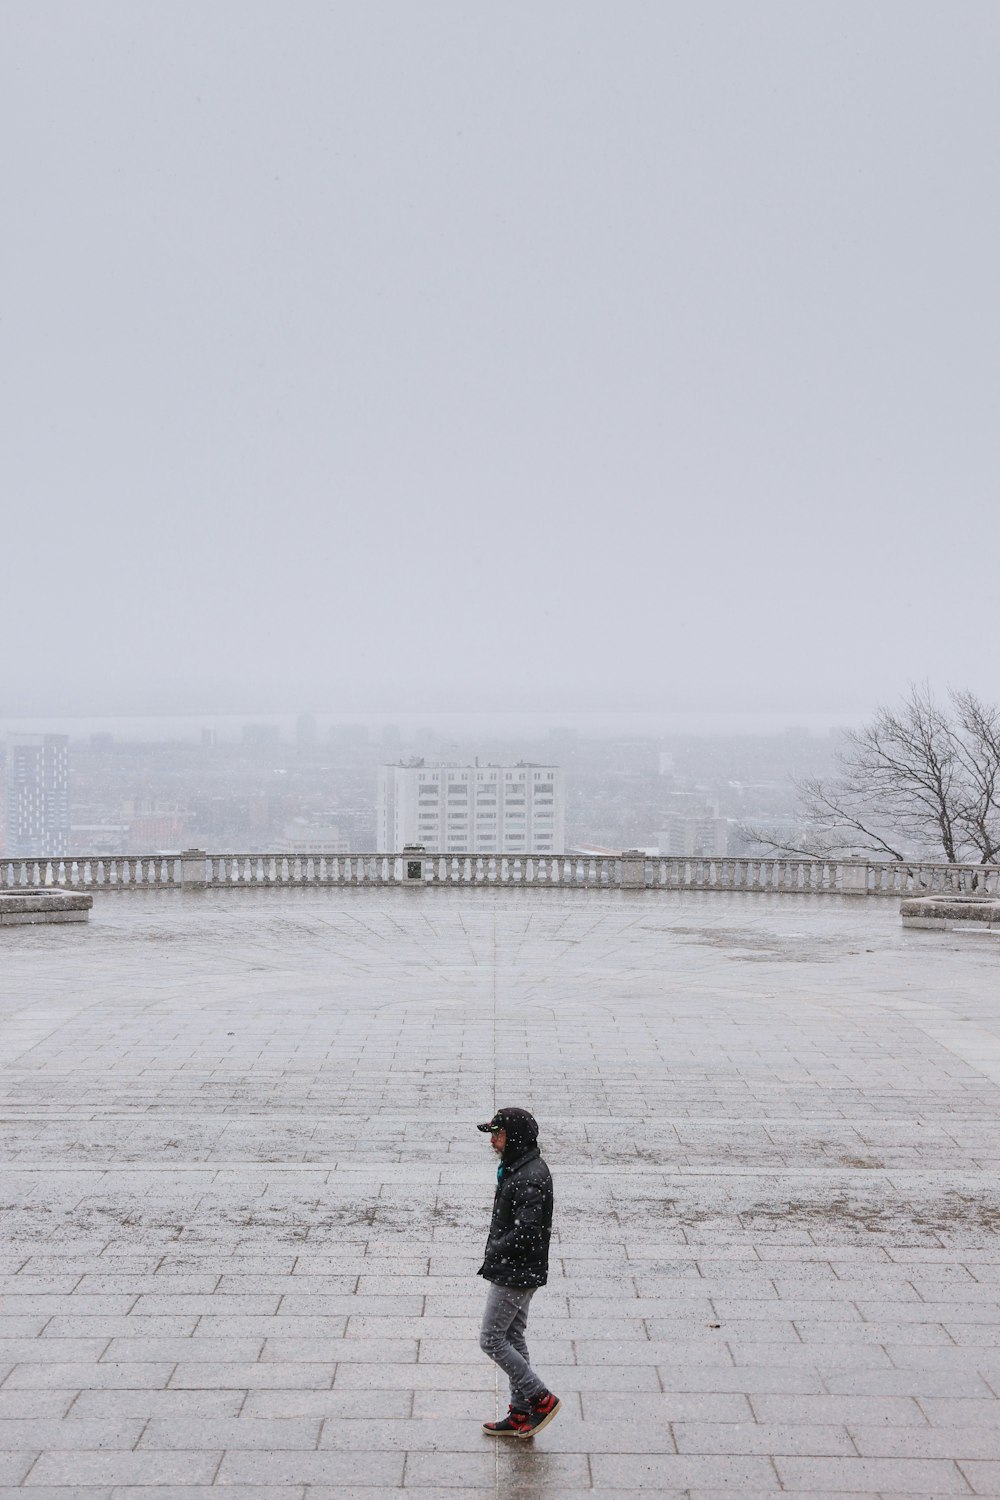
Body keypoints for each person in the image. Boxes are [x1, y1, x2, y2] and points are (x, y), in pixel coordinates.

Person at [476, 1106, 561, 1438]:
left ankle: (540, 1397)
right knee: (512, 1336)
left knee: (491, 1339)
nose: (493, 1141)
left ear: (515, 1138)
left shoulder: (529, 1176)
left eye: (498, 1134)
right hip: (518, 1269)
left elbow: (527, 1230)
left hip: (516, 1271)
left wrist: (497, 1249)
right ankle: (520, 1412)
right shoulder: (518, 1167)